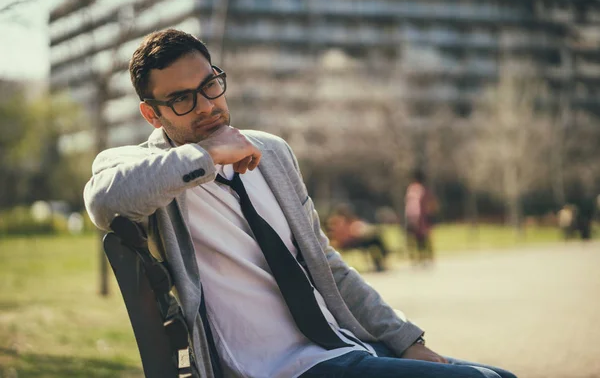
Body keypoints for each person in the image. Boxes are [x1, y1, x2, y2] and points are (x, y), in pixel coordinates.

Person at [84, 29, 517, 378]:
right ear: (151, 114)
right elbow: (104, 200)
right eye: (181, 99)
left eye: (210, 85)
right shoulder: (148, 167)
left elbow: (325, 263)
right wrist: (209, 154)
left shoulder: (270, 152)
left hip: (341, 345)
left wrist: (406, 341)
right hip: (272, 366)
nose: (207, 105)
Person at [326, 204, 388, 272]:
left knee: (374, 240)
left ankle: (380, 262)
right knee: (372, 241)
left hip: (354, 240)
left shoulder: (350, 219)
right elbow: (337, 234)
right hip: (345, 242)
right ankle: (380, 261)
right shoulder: (335, 221)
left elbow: (358, 226)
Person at [404, 170, 438, 266]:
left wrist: (414, 218)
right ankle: (426, 258)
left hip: (415, 217)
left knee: (417, 239)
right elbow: (432, 204)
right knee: (423, 238)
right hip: (422, 218)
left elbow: (413, 206)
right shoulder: (423, 189)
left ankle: (419, 258)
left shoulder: (413, 190)